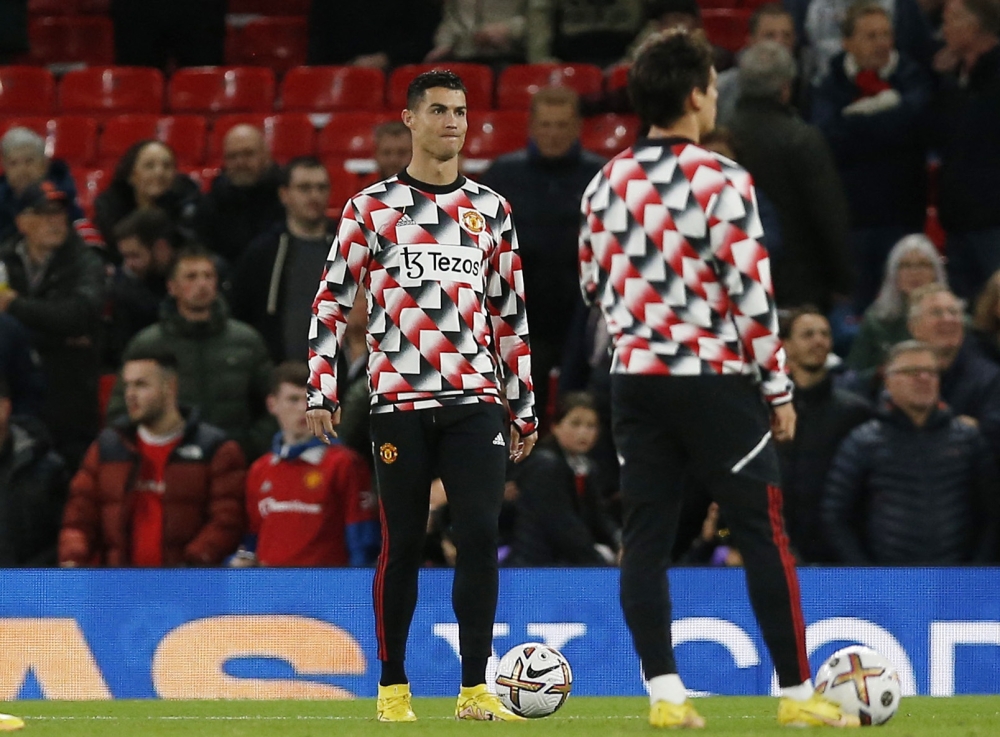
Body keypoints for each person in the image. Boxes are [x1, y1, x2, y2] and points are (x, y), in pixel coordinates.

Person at [579, 29, 859, 728]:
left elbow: (590, 287)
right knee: (761, 532)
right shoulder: (723, 180)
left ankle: (665, 697)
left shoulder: (604, 181)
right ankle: (796, 696)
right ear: (699, 93)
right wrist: (779, 389)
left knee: (645, 536)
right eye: (710, 84)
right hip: (713, 377)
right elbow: (752, 295)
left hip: (636, 378)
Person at [305, 70, 538, 723]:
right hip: (398, 401)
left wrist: (522, 404)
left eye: (461, 111)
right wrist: (323, 384)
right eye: (438, 110)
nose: (452, 122)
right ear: (409, 120)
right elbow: (331, 301)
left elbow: (510, 315)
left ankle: (474, 686)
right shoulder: (371, 207)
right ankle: (393, 684)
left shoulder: (492, 210)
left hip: (475, 399)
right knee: (403, 541)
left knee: (480, 532)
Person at [479, 86, 605, 427]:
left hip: (582, 310)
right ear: (532, 126)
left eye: (562, 125)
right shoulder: (503, 175)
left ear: (578, 126)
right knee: (520, 405)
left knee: (583, 401)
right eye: (546, 125)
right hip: (522, 311)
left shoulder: (599, 176)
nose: (553, 134)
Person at [59, 349, 245, 567]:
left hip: (187, 591)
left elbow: (227, 521)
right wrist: (73, 556)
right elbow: (79, 518)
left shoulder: (215, 449)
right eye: (127, 385)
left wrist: (190, 567)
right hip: (120, 590)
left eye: (141, 385)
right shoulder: (107, 448)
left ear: (170, 387)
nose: (130, 394)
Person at [824, 340, 998, 563]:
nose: (923, 379)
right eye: (911, 372)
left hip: (958, 581)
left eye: (930, 372)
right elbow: (835, 516)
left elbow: (992, 513)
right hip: (888, 583)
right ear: (888, 380)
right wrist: (866, 575)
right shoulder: (863, 442)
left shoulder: (968, 439)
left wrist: (977, 571)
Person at [811, 1, 933, 312]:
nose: (881, 43)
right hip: (854, 221)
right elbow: (829, 139)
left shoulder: (911, 75)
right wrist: (889, 113)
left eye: (885, 34)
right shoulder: (830, 83)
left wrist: (854, 119)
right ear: (847, 42)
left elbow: (914, 124)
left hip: (903, 216)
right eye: (871, 36)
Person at [108, 246, 275, 462]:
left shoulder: (246, 341)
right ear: (172, 287)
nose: (202, 284)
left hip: (234, 462)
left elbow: (275, 404)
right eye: (191, 277)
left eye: (208, 276)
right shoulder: (147, 345)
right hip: (169, 463)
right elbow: (120, 411)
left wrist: (247, 447)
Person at [729, 41, 854, 312]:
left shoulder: (720, 135)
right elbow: (828, 212)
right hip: (801, 282)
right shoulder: (802, 139)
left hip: (734, 277)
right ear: (786, 87)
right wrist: (843, 280)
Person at [0, 182, 105, 470]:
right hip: (18, 409)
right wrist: (59, 338)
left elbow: (80, 316)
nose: (56, 221)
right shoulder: (4, 261)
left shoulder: (86, 261)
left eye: (60, 212)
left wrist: (15, 306)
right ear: (22, 222)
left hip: (71, 407)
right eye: (44, 213)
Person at [243, 362, 379, 567]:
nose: (303, 409)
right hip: (270, 590)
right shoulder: (260, 469)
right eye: (293, 400)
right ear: (272, 404)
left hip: (324, 591)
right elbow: (252, 540)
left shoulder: (344, 464)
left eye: (310, 401)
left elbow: (362, 542)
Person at [778, 307, 871, 563]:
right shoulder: (765, 410)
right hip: (777, 547)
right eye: (808, 335)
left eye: (824, 334)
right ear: (785, 346)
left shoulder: (855, 411)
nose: (819, 341)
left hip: (837, 553)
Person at [232, 157, 337, 364]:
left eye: (321, 188)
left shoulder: (350, 246)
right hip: (279, 374)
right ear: (284, 195)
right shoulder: (262, 253)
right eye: (304, 188)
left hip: (336, 374)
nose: (315, 196)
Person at [931, 0, 1000, 300]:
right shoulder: (956, 77)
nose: (943, 30)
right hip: (959, 222)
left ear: (973, 26)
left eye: (952, 20)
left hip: (993, 223)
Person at [507, 392, 619, 566]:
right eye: (575, 424)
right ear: (555, 426)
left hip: (567, 561)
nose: (583, 432)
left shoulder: (588, 467)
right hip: (537, 566)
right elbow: (561, 524)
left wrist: (620, 542)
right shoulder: (545, 466)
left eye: (591, 426)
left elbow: (599, 516)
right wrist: (598, 559)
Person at [907, 283, 1000, 458]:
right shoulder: (899, 374)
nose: (948, 319)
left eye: (954, 312)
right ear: (914, 327)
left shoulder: (990, 379)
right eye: (936, 313)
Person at [846, 234, 946, 371]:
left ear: (936, 272)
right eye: (905, 265)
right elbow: (854, 372)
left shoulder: (952, 319)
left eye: (923, 264)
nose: (914, 272)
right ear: (893, 273)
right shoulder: (876, 319)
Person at [195, 125, 284, 268]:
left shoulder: (286, 199)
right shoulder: (210, 204)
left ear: (266, 156)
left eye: (248, 154)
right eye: (232, 156)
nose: (240, 163)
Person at [0, 376, 67, 566]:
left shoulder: (47, 469)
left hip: (32, 588)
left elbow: (63, 539)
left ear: (4, 408)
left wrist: (26, 581)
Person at [94, 140, 201, 257]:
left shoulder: (187, 203)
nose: (159, 173)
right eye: (149, 166)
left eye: (167, 166)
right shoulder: (109, 207)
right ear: (131, 175)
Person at [104, 207, 178, 369]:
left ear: (161, 248)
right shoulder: (125, 290)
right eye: (125, 257)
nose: (128, 265)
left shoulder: (197, 274)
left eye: (135, 256)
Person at [716, 4, 800, 127]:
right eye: (770, 36)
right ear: (751, 41)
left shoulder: (808, 84)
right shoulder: (722, 87)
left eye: (786, 36)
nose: (779, 43)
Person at [0, 127, 88, 245]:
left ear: (45, 163)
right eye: (13, 163)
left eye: (29, 161)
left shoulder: (63, 201)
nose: (21, 170)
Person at [426, 0, 528, 64]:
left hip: (509, 56)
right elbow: (451, 18)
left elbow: (537, 19)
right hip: (462, 55)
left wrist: (509, 30)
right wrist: (444, 43)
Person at [358, 121, 413, 189]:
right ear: (376, 155)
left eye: (402, 153)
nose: (393, 160)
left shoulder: (428, 195)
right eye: (386, 153)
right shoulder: (364, 197)